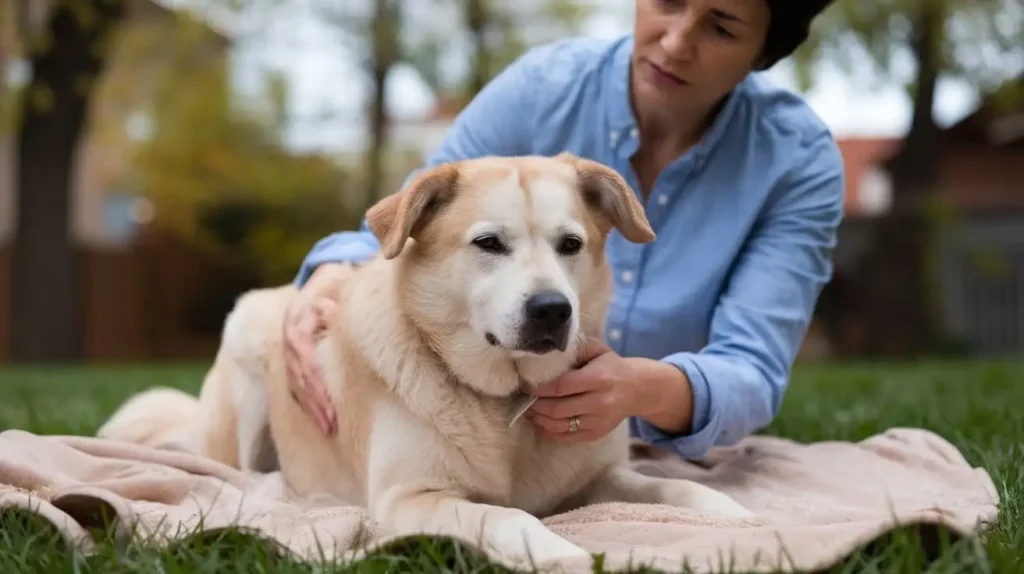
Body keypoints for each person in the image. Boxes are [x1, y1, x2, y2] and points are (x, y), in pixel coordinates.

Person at [283, 0, 843, 461]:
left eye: (720, 26)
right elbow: (407, 227)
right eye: (669, 2)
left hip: (636, 450)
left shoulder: (797, 162)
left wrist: (640, 389)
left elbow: (753, 369)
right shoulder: (540, 88)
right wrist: (324, 280)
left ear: (762, 54)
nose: (676, 42)